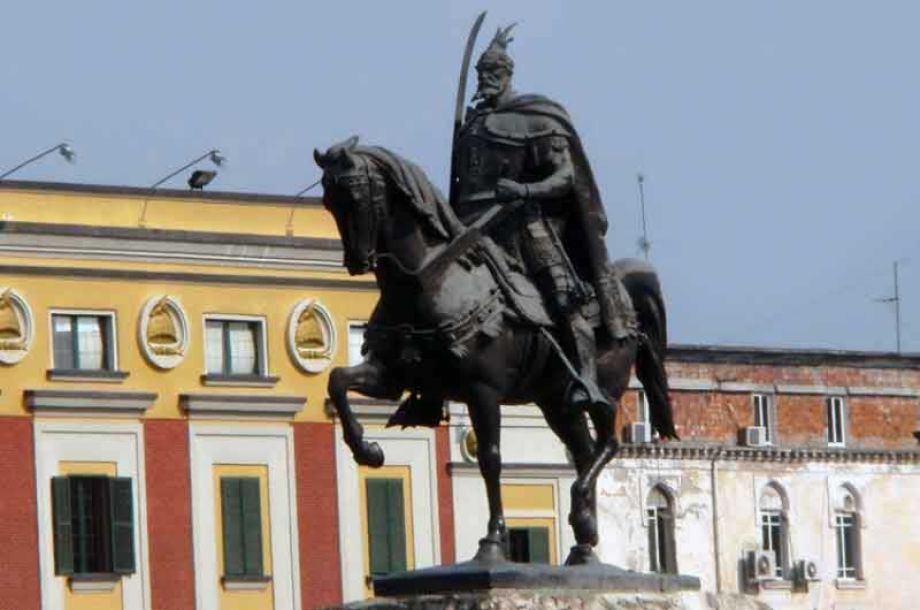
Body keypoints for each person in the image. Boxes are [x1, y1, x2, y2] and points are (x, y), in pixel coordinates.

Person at [452, 25, 635, 409]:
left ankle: (586, 377)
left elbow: (566, 176)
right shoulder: (472, 125)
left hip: (523, 226)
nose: (485, 79)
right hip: (472, 229)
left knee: (562, 295)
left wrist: (524, 190)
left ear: (507, 74)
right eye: (481, 73)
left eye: (492, 72)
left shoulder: (536, 118)